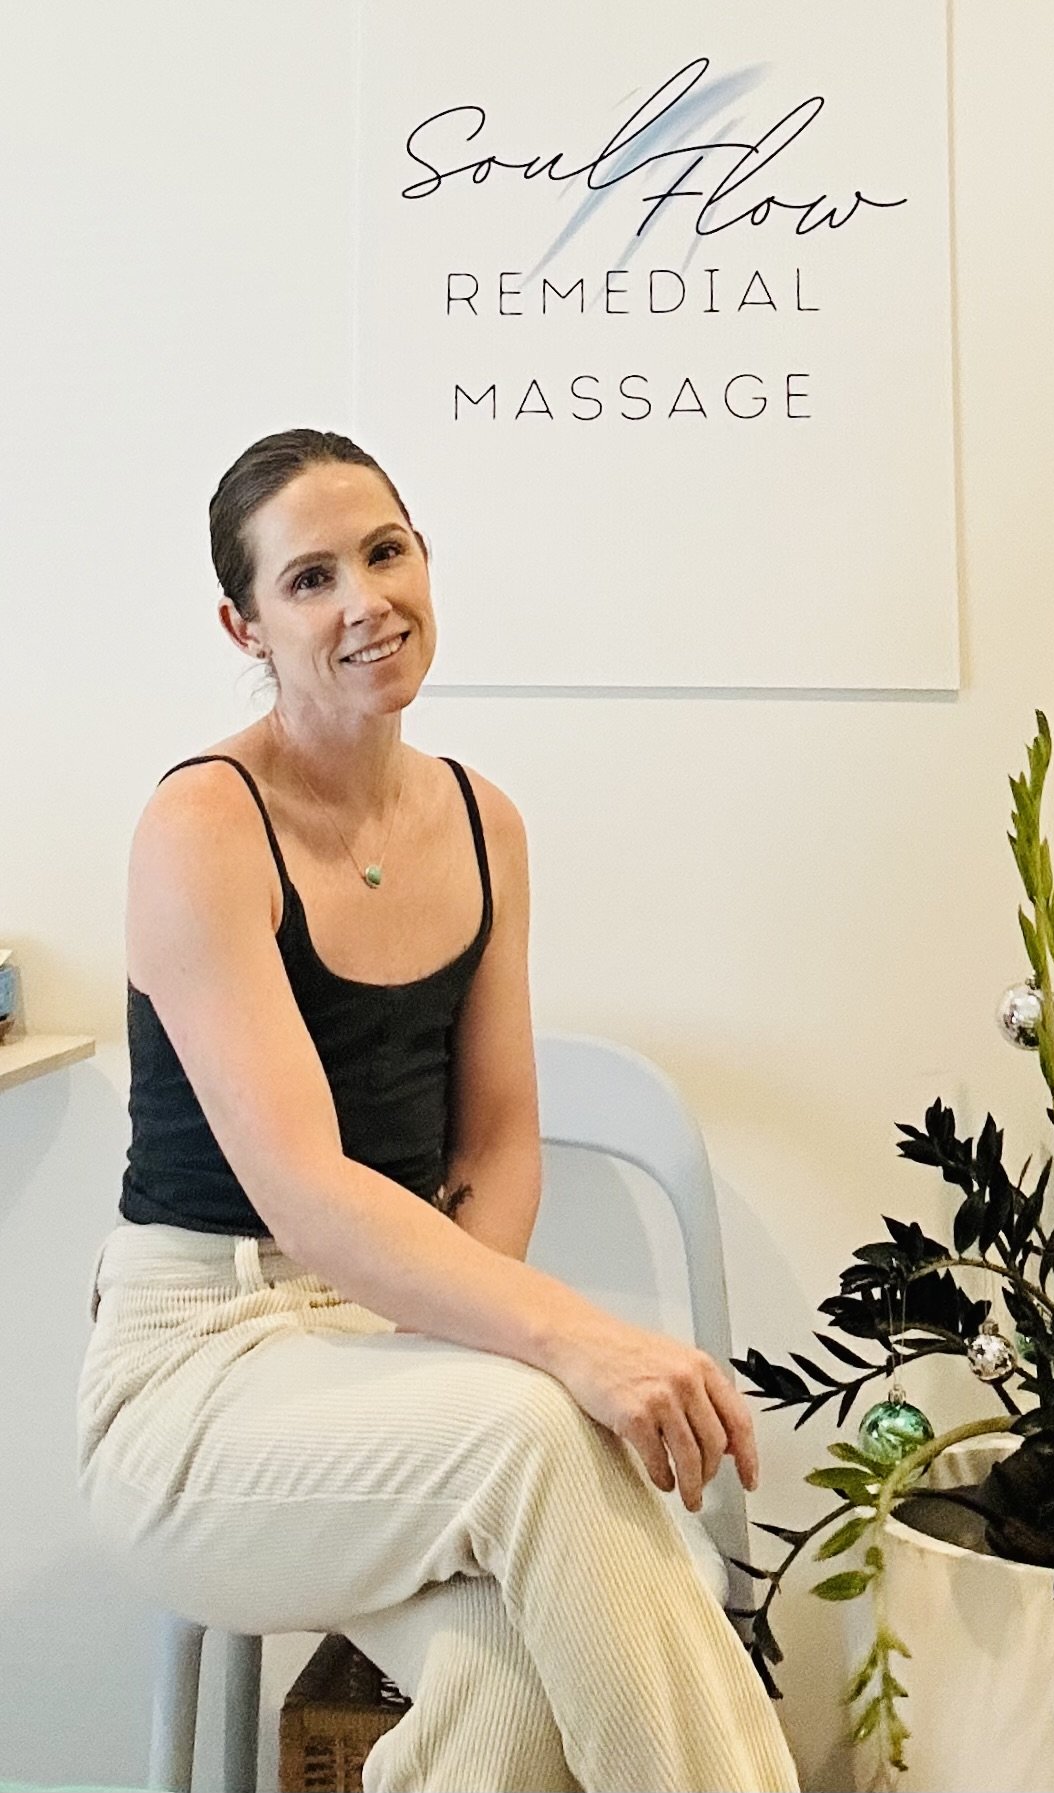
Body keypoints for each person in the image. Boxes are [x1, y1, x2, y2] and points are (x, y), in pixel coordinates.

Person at [74, 428, 801, 1793]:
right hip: (194, 1375)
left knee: (525, 1664)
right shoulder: (204, 826)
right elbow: (306, 1192)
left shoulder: (483, 820)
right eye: (309, 578)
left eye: (386, 550)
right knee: (547, 1434)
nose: (364, 599)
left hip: (380, 1344)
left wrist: (477, 1334)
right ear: (245, 623)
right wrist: (568, 1345)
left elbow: (494, 1145)